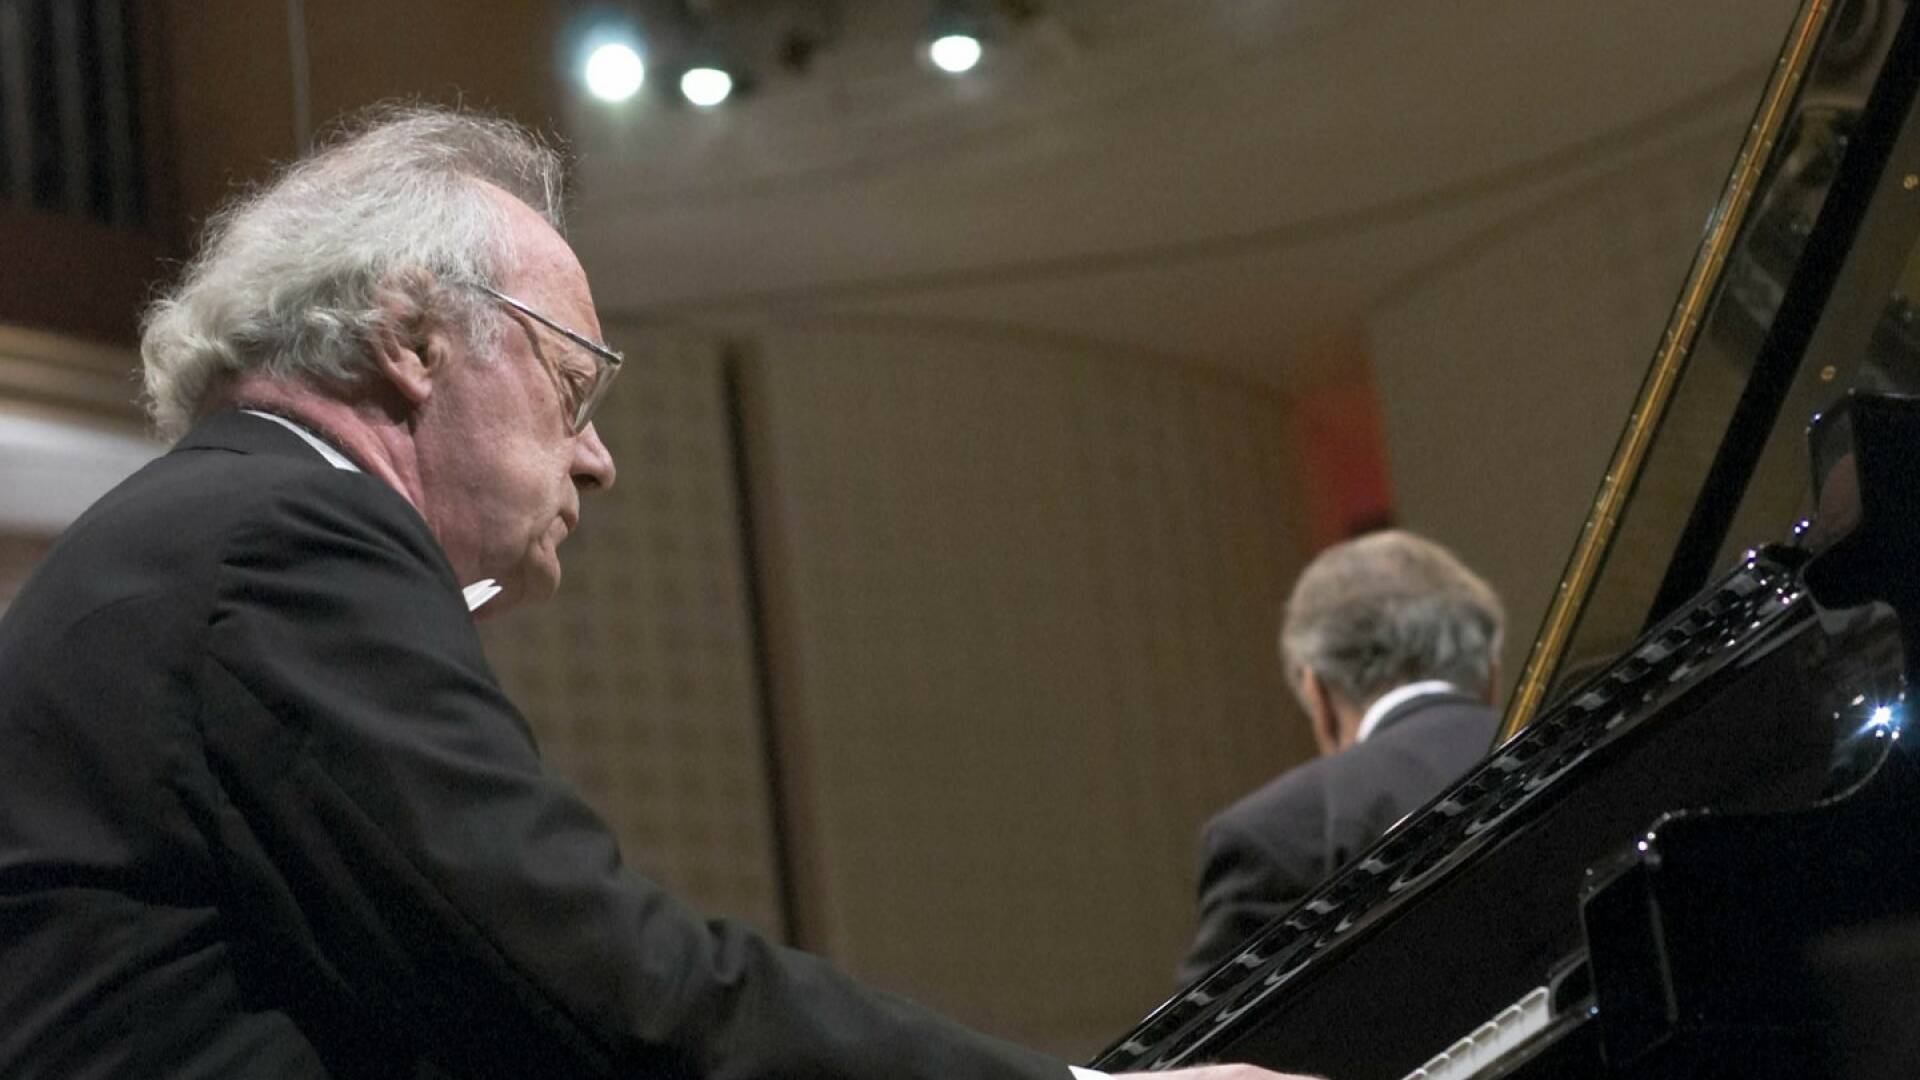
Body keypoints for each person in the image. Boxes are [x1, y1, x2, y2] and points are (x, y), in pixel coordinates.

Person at [0, 106, 1310, 1080]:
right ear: (409, 343)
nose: (599, 457)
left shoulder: (200, 536)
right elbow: (598, 984)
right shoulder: (285, 538)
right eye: (573, 389)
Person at [1179, 530, 1504, 984]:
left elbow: (1206, 1054)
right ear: (1491, 673)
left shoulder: (1269, 836)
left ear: (1319, 695)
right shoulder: (1595, 733)